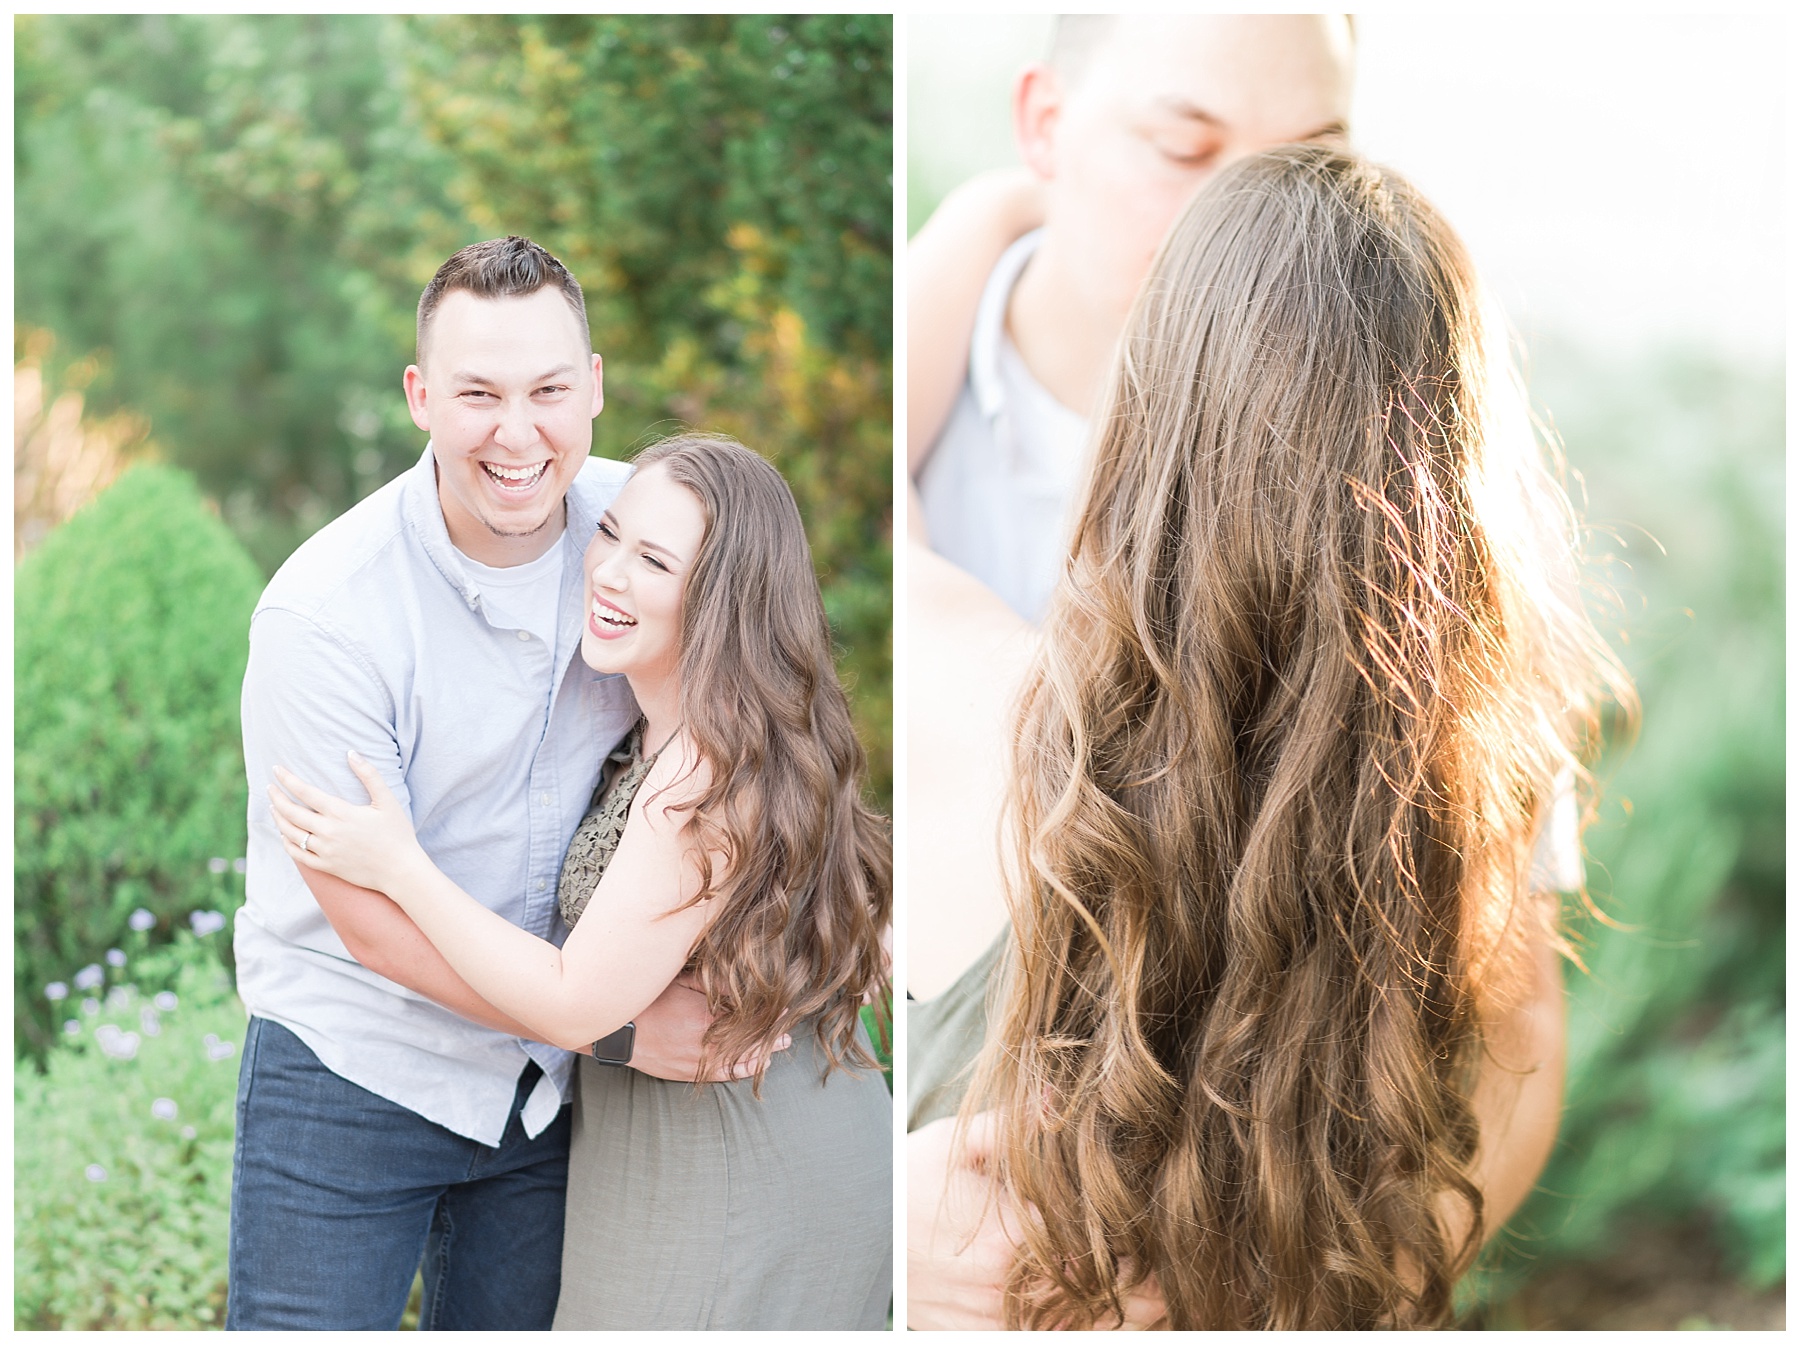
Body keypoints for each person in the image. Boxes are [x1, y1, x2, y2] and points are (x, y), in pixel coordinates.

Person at [906, 145, 1634, 1329]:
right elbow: (1531, 1037)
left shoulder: (966, 698)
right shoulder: (1481, 781)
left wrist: (993, 208)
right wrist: (1380, 1291)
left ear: (1148, 426)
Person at [229, 237, 784, 1330]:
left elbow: (769, 715)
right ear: (421, 396)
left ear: (596, 388)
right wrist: (610, 1028)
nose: (518, 433)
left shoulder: (646, 537)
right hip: (353, 1072)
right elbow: (375, 924)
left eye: (549, 391)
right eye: (479, 394)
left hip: (543, 1103)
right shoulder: (325, 616)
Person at [270, 433, 894, 1329]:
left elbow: (573, 1006)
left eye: (654, 560)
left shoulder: (702, 773)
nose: (607, 572)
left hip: (728, 1155)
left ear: (722, 600)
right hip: (718, 1134)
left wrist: (401, 865)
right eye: (609, 535)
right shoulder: (691, 731)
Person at [909, 15, 1356, 623]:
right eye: (1184, 150)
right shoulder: (914, 374)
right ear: (1045, 123)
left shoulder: (1369, 460)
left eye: (1307, 168)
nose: (1252, 224)